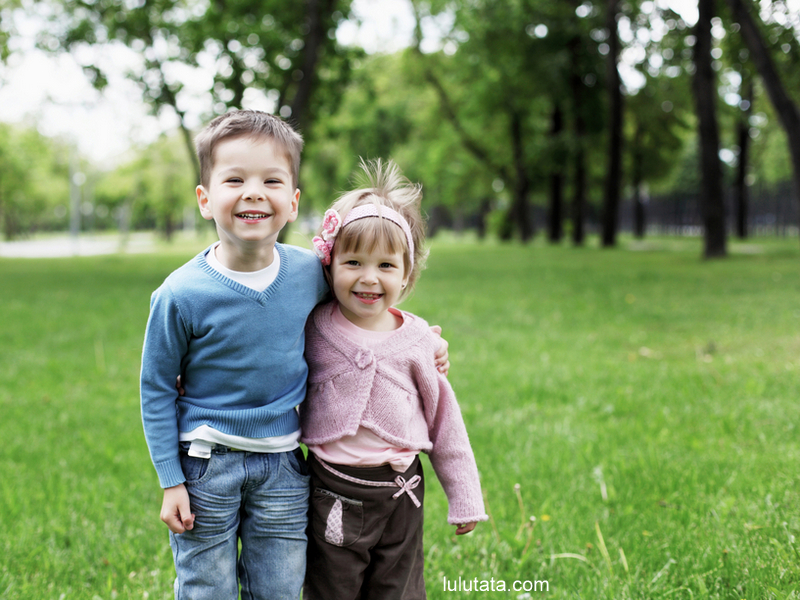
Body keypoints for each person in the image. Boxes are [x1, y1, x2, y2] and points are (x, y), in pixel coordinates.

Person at [140, 110, 449, 600]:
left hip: (285, 464)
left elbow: (366, 305)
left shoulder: (311, 274)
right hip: (205, 465)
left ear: (292, 202)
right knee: (207, 589)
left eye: (271, 180)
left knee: (282, 588)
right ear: (204, 199)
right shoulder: (180, 294)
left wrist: (422, 341)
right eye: (234, 179)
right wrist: (171, 480)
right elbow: (156, 389)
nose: (254, 191)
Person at [301, 159, 488, 600]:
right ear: (329, 267)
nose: (369, 277)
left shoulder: (418, 340)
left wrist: (464, 497)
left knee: (398, 589)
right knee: (331, 588)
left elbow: (446, 424)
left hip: (403, 492)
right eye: (353, 262)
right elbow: (266, 364)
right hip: (331, 488)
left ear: (406, 274)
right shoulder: (313, 328)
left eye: (386, 265)